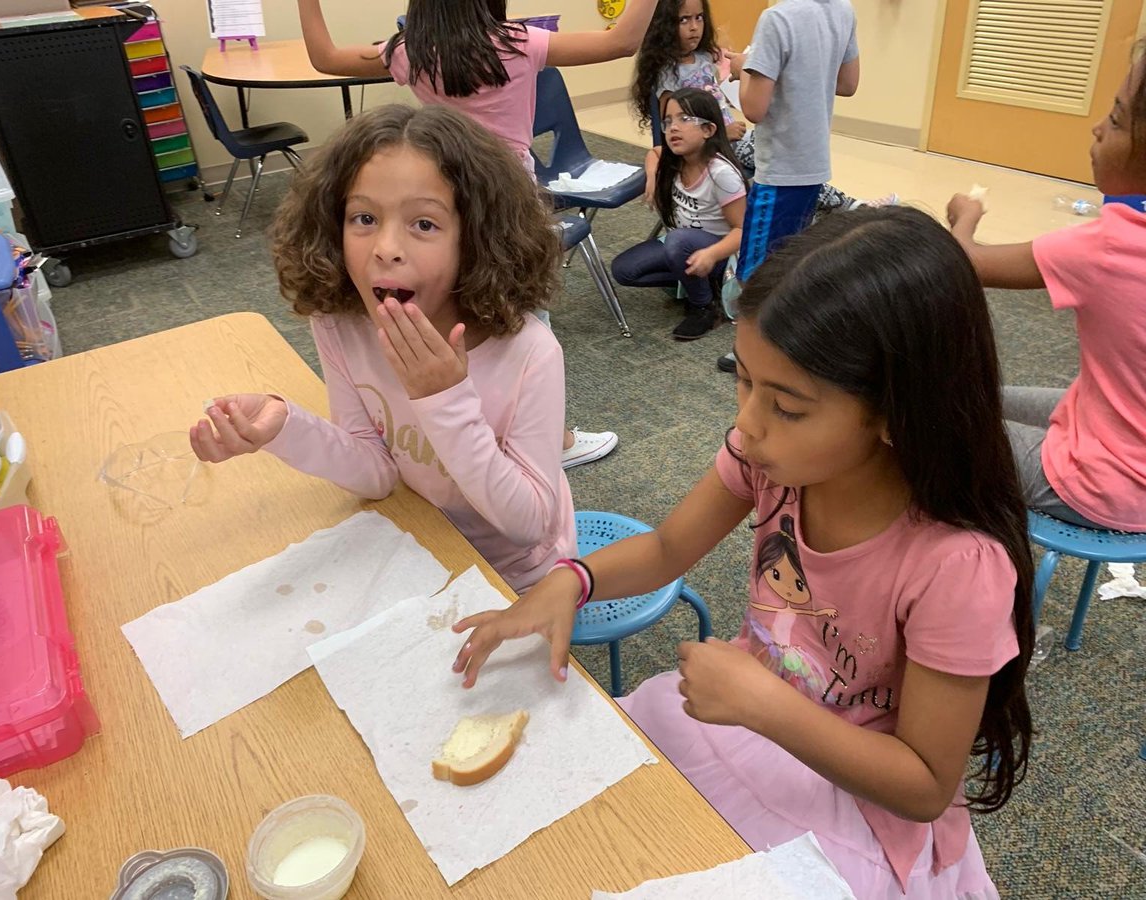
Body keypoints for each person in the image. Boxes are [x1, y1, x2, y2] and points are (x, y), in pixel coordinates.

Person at [451, 207, 1036, 897]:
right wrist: (572, 580)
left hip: (857, 801)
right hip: (746, 716)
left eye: (786, 407)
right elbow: (668, 548)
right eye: (743, 379)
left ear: (892, 413)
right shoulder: (769, 461)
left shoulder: (956, 566)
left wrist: (767, 706)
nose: (747, 424)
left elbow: (926, 785)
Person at [188, 105, 578, 593]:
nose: (386, 247)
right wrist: (282, 425)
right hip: (421, 543)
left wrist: (446, 400)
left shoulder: (529, 352)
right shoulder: (341, 325)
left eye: (425, 225)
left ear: (476, 240)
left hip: (520, 575)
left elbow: (530, 525)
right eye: (365, 218)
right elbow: (376, 473)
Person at [294, 0, 641, 467]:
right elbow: (620, 41)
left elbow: (325, 58)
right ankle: (549, 441)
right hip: (503, 210)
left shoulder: (409, 52)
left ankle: (453, 429)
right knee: (524, 326)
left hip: (437, 212)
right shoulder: (517, 43)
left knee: (450, 318)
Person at [946, 43, 1146, 533]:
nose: (1099, 128)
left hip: (1105, 482)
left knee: (926, 422)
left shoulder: (1110, 245)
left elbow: (962, 262)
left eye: (1117, 121)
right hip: (1114, 434)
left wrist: (965, 218)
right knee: (980, 396)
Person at [630, 0, 883, 218]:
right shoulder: (668, 73)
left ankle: (844, 205)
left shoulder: (705, 59)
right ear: (664, 26)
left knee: (770, 150)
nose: (694, 27)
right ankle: (849, 205)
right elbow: (672, 128)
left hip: (727, 136)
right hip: (712, 142)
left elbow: (714, 99)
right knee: (771, 151)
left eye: (699, 18)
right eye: (683, 20)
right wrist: (720, 133)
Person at [715, 0, 862, 375]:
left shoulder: (777, 18)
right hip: (812, 161)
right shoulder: (842, 10)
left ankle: (753, 353)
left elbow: (753, 108)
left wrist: (739, 67)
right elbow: (848, 84)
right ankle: (786, 340)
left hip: (779, 167)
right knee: (791, 258)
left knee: (756, 269)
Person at [611, 89, 745, 340]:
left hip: (719, 252)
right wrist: (652, 176)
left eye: (684, 119)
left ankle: (703, 306)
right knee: (624, 270)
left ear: (708, 130)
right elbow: (654, 153)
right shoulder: (676, 159)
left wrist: (711, 254)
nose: (673, 128)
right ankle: (698, 282)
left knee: (678, 241)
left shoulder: (722, 173)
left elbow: (741, 230)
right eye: (669, 121)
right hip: (682, 245)